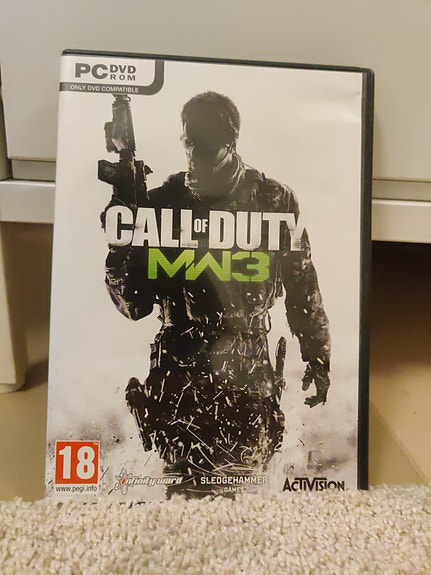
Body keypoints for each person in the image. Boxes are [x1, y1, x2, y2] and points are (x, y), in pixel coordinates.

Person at [101, 91, 330, 495]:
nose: (196, 154)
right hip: (179, 378)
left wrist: (317, 355)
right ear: (183, 139)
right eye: (190, 142)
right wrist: (122, 239)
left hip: (247, 373)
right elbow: (133, 305)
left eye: (207, 145)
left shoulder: (274, 200)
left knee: (247, 493)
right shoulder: (161, 203)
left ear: (232, 139)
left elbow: (302, 283)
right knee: (184, 499)